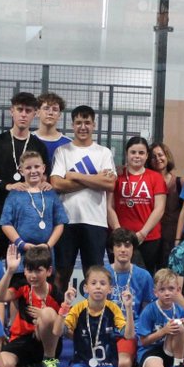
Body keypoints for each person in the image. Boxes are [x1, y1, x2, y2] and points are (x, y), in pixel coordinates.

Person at [51, 105, 117, 293]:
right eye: (79, 122)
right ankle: (59, 314)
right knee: (62, 273)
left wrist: (74, 175)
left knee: (95, 275)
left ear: (94, 125)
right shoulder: (63, 151)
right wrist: (96, 178)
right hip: (67, 221)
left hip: (95, 222)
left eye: (87, 122)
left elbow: (110, 184)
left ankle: (92, 316)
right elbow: (56, 183)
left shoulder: (103, 152)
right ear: (72, 125)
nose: (83, 127)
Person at [0, 91, 50, 257]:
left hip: (27, 215)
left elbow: (44, 179)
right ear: (11, 111)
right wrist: (8, 186)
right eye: (19, 109)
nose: (23, 114)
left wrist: (34, 186)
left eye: (28, 111)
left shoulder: (39, 146)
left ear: (35, 114)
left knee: (26, 264)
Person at [60, 265, 135, 367]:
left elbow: (129, 335)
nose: (98, 287)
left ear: (110, 289)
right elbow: (58, 331)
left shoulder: (113, 309)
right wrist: (65, 306)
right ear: (86, 288)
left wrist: (129, 308)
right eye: (93, 283)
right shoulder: (78, 308)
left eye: (103, 283)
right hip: (81, 363)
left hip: (106, 365)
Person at [0, 245, 64, 367]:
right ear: (24, 271)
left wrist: (48, 318)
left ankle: (49, 361)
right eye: (29, 270)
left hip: (47, 343)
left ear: (49, 271)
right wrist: (9, 271)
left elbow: (67, 328)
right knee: (2, 366)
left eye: (39, 271)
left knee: (48, 313)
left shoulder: (55, 293)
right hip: (21, 341)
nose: (33, 276)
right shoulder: (22, 286)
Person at [0, 150, 67, 279]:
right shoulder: (14, 194)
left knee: (45, 296)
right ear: (21, 171)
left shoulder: (51, 194)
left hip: (45, 256)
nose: (33, 171)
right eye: (28, 168)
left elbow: (60, 223)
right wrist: (22, 244)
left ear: (43, 168)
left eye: (36, 167)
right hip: (20, 258)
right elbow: (5, 223)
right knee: (18, 294)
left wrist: (47, 246)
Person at [109, 136, 166, 270]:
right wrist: (118, 233)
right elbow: (109, 206)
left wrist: (142, 233)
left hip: (149, 238)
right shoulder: (116, 176)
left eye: (141, 153)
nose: (137, 156)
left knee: (147, 277)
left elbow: (160, 208)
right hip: (120, 239)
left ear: (147, 156)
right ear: (126, 154)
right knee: (119, 275)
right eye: (133, 152)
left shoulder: (156, 177)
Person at [105, 228, 155, 367]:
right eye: (118, 245)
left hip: (131, 330)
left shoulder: (144, 276)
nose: (123, 250)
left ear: (133, 249)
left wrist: (142, 334)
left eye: (127, 245)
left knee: (124, 366)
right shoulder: (103, 273)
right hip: (106, 331)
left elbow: (147, 309)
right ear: (112, 249)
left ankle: (131, 355)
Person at [135, 268, 184, 367]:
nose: (167, 293)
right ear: (155, 292)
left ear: (178, 290)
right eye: (162, 289)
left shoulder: (180, 310)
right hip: (150, 350)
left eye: (171, 289)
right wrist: (163, 331)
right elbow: (143, 341)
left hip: (171, 350)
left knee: (179, 326)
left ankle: (177, 365)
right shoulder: (149, 310)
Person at [149, 142, 183, 268]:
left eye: (160, 155)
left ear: (167, 156)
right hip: (152, 236)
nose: (158, 159)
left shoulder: (179, 183)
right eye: (153, 156)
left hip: (172, 238)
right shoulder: (146, 182)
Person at [36, 92, 72, 159]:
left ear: (59, 115)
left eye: (55, 109)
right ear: (38, 113)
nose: (50, 113)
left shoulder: (68, 144)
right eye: (46, 108)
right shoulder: (28, 140)